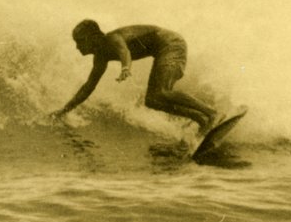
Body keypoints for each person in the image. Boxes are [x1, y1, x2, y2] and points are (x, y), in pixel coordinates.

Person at [52, 20, 221, 135]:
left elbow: (124, 51)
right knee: (152, 100)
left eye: (80, 41)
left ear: (93, 38)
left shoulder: (112, 39)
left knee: (163, 92)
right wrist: (64, 111)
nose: (77, 47)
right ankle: (200, 119)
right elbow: (88, 87)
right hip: (161, 51)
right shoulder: (100, 57)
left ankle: (212, 113)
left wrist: (126, 68)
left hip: (171, 44)